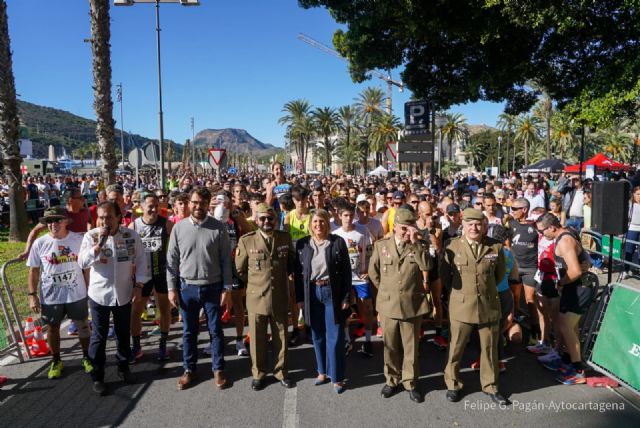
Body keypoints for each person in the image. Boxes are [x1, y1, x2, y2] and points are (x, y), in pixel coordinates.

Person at [78, 201, 150, 396]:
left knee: (122, 334)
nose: (104, 221)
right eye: (101, 217)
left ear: (118, 217)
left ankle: (123, 367)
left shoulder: (130, 235)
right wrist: (97, 246)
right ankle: (97, 376)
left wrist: (139, 286)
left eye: (108, 217)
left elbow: (143, 261)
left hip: (123, 293)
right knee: (99, 337)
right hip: (99, 295)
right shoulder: (91, 235)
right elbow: (82, 261)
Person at [440, 208, 509, 405]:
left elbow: (499, 275)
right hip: (461, 306)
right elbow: (445, 276)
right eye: (470, 224)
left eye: (478, 224)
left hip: (488, 305)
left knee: (489, 349)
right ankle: (453, 384)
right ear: (463, 225)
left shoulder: (495, 247)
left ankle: (491, 386)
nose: (474, 228)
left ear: (484, 226)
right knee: (456, 348)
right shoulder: (452, 246)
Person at [166, 186, 233, 391]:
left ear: (207, 205)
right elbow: (171, 259)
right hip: (187, 288)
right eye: (194, 202)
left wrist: (227, 288)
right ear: (189, 203)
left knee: (215, 331)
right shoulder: (179, 228)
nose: (198, 206)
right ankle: (189, 369)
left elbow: (225, 260)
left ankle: (218, 369)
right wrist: (171, 288)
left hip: (212, 287)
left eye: (202, 203)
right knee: (189, 332)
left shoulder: (219, 227)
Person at [369, 208, 433, 403]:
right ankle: (391, 379)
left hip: (412, 305)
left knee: (411, 347)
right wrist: (387, 291)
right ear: (394, 227)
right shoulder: (382, 245)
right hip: (388, 305)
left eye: (410, 228)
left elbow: (427, 266)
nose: (406, 232)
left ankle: (410, 382)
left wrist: (416, 243)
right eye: (403, 228)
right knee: (390, 346)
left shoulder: (420, 245)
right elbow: (374, 272)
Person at [26, 207, 93, 379]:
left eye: (57, 220)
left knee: (82, 326)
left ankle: (87, 357)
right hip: (51, 296)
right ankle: (56, 360)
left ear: (65, 221)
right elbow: (33, 271)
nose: (53, 224)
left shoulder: (79, 239)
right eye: (49, 221)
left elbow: (86, 268)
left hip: (76, 293)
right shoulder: (40, 243)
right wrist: (32, 296)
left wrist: (89, 290)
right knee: (53, 328)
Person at [235, 203, 296, 391]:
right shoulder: (247, 241)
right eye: (262, 218)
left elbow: (291, 264)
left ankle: (281, 372)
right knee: (257, 338)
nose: (267, 221)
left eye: (270, 218)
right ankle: (259, 373)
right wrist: (256, 283)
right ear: (256, 220)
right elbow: (240, 269)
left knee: (281, 337)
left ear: (276, 220)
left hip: (278, 295)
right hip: (256, 297)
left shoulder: (285, 238)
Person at [294, 209, 351, 394]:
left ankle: (337, 377)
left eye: (322, 221)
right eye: (316, 222)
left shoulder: (337, 242)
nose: (319, 225)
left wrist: (346, 297)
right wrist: (300, 299)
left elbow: (346, 273)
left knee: (335, 336)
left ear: (328, 223)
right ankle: (322, 372)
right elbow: (297, 275)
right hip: (312, 292)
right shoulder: (303, 244)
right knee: (317, 335)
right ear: (311, 224)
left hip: (331, 293)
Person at [535, 213, 592, 385]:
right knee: (569, 327)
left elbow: (575, 271)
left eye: (542, 231)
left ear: (551, 227)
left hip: (579, 288)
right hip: (573, 287)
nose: (541, 235)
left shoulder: (565, 240)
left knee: (566, 326)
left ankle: (578, 371)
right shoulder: (567, 233)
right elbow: (584, 259)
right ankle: (571, 360)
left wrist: (560, 282)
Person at [129, 193, 173, 362]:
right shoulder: (134, 226)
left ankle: (163, 344)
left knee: (164, 310)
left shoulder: (166, 224)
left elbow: (177, 243)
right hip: (141, 275)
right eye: (150, 206)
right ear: (141, 207)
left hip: (161, 272)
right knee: (136, 311)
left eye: (156, 206)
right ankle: (137, 346)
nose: (154, 209)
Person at [332, 203, 374, 357]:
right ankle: (347, 340)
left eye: (351, 215)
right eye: (345, 216)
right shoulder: (335, 234)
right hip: (344, 279)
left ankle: (368, 340)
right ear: (340, 216)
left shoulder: (362, 232)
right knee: (345, 309)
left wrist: (368, 271)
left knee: (368, 307)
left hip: (360, 276)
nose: (348, 219)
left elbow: (369, 253)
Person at [623, 186, 640, 279]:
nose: (639, 196)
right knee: (629, 251)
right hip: (632, 230)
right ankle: (625, 270)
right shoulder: (629, 204)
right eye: (637, 194)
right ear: (633, 194)